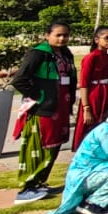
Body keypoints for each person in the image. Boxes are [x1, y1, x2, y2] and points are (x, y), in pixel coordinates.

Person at [12, 22, 77, 204]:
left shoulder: (66, 54)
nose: (62, 38)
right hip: (43, 108)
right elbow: (19, 79)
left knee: (55, 144)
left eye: (65, 35)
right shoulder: (38, 54)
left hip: (61, 105)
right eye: (58, 35)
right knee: (38, 144)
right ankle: (26, 187)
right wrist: (38, 96)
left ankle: (40, 182)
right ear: (47, 35)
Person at [74, 26, 108, 150]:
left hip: (107, 93)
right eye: (107, 38)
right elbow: (84, 83)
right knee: (91, 124)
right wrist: (86, 108)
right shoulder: (91, 57)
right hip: (94, 94)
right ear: (97, 39)